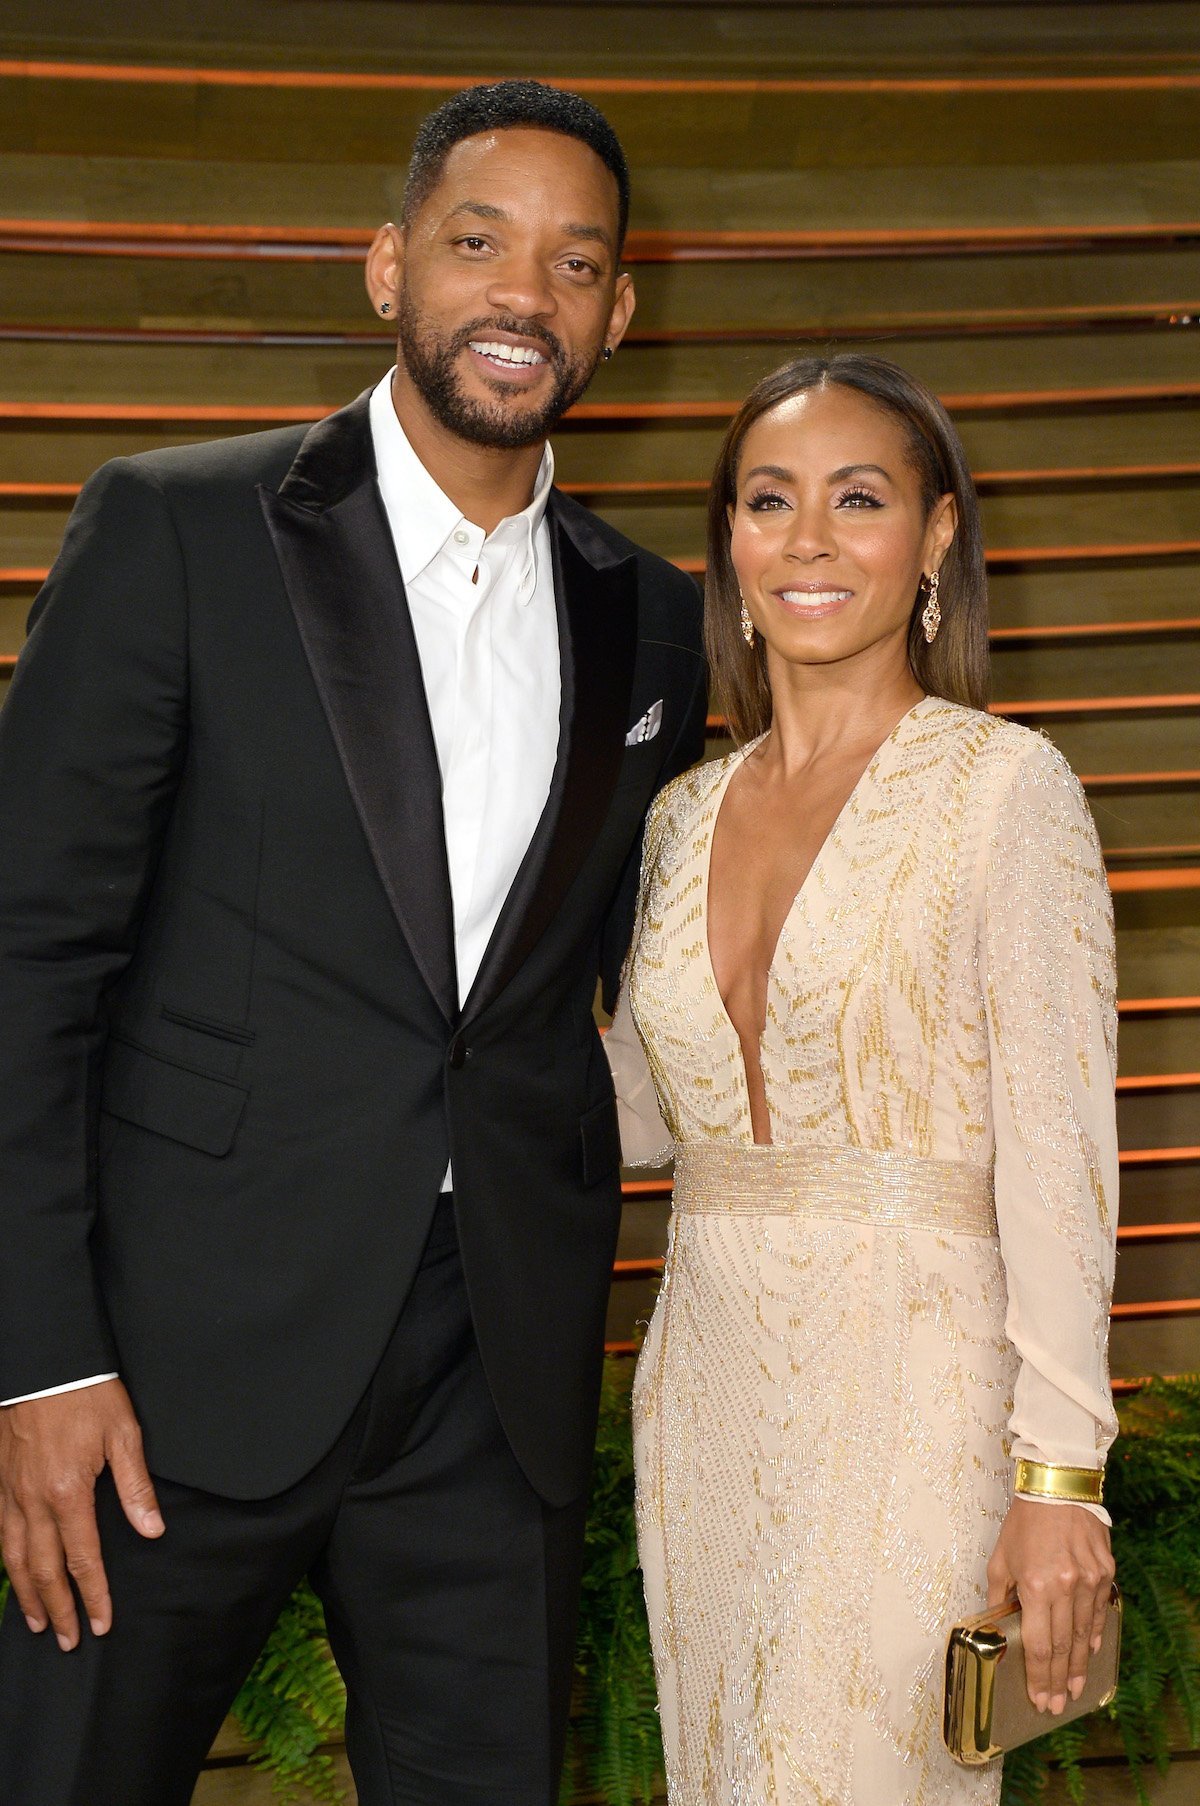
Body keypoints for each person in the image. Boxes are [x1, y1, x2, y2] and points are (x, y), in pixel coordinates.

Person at [0, 79, 706, 1806]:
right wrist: (42, 1360)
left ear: (619, 312)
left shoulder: (662, 620)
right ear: (388, 265)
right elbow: (28, 960)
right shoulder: (174, 526)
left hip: (495, 1391)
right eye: (480, 241)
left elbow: (631, 985)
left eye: (574, 260)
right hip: (158, 1382)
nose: (523, 292)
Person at [606, 353, 1118, 1804]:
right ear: (728, 542)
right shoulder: (678, 817)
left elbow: (1062, 1161)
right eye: (770, 500)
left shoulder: (1006, 789)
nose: (811, 540)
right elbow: (640, 1121)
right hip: (704, 1388)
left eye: (860, 498)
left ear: (938, 533)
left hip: (921, 1386)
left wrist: (1059, 1479)